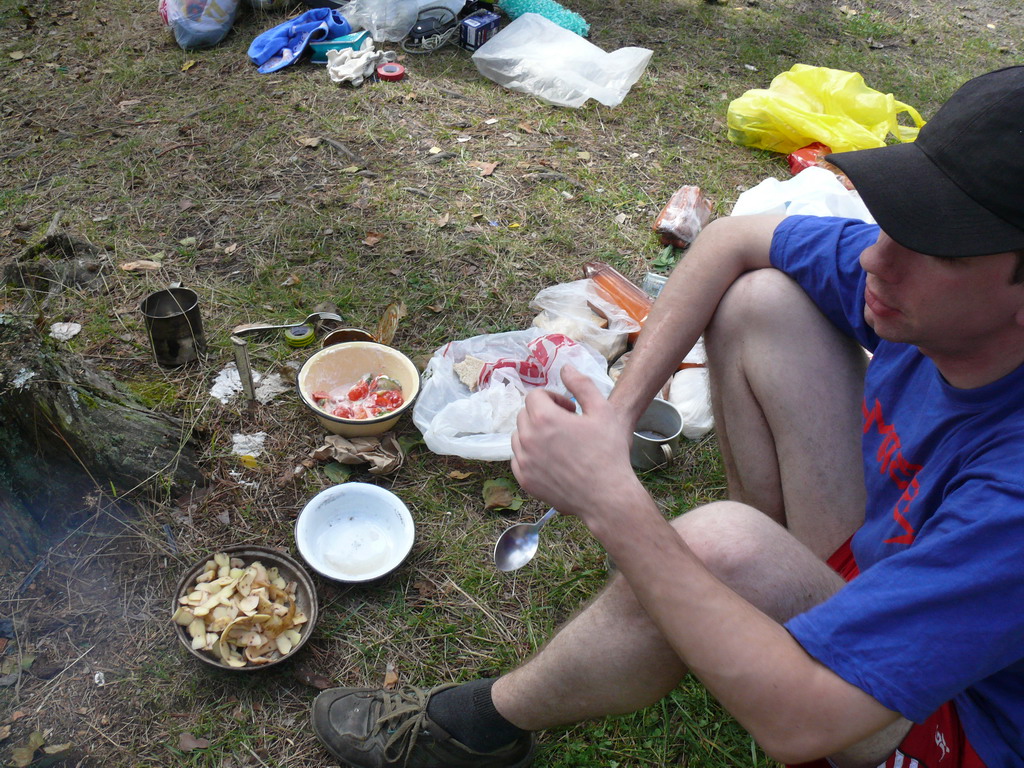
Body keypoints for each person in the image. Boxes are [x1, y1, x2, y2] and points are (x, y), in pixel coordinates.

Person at [309, 65, 1024, 768]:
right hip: (897, 583)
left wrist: (610, 500)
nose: (875, 258)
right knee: (762, 302)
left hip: (958, 725)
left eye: (935, 244)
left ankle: (475, 730)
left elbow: (802, 725)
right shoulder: (925, 292)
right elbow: (728, 240)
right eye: (895, 221)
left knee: (720, 547)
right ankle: (750, 613)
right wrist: (616, 419)